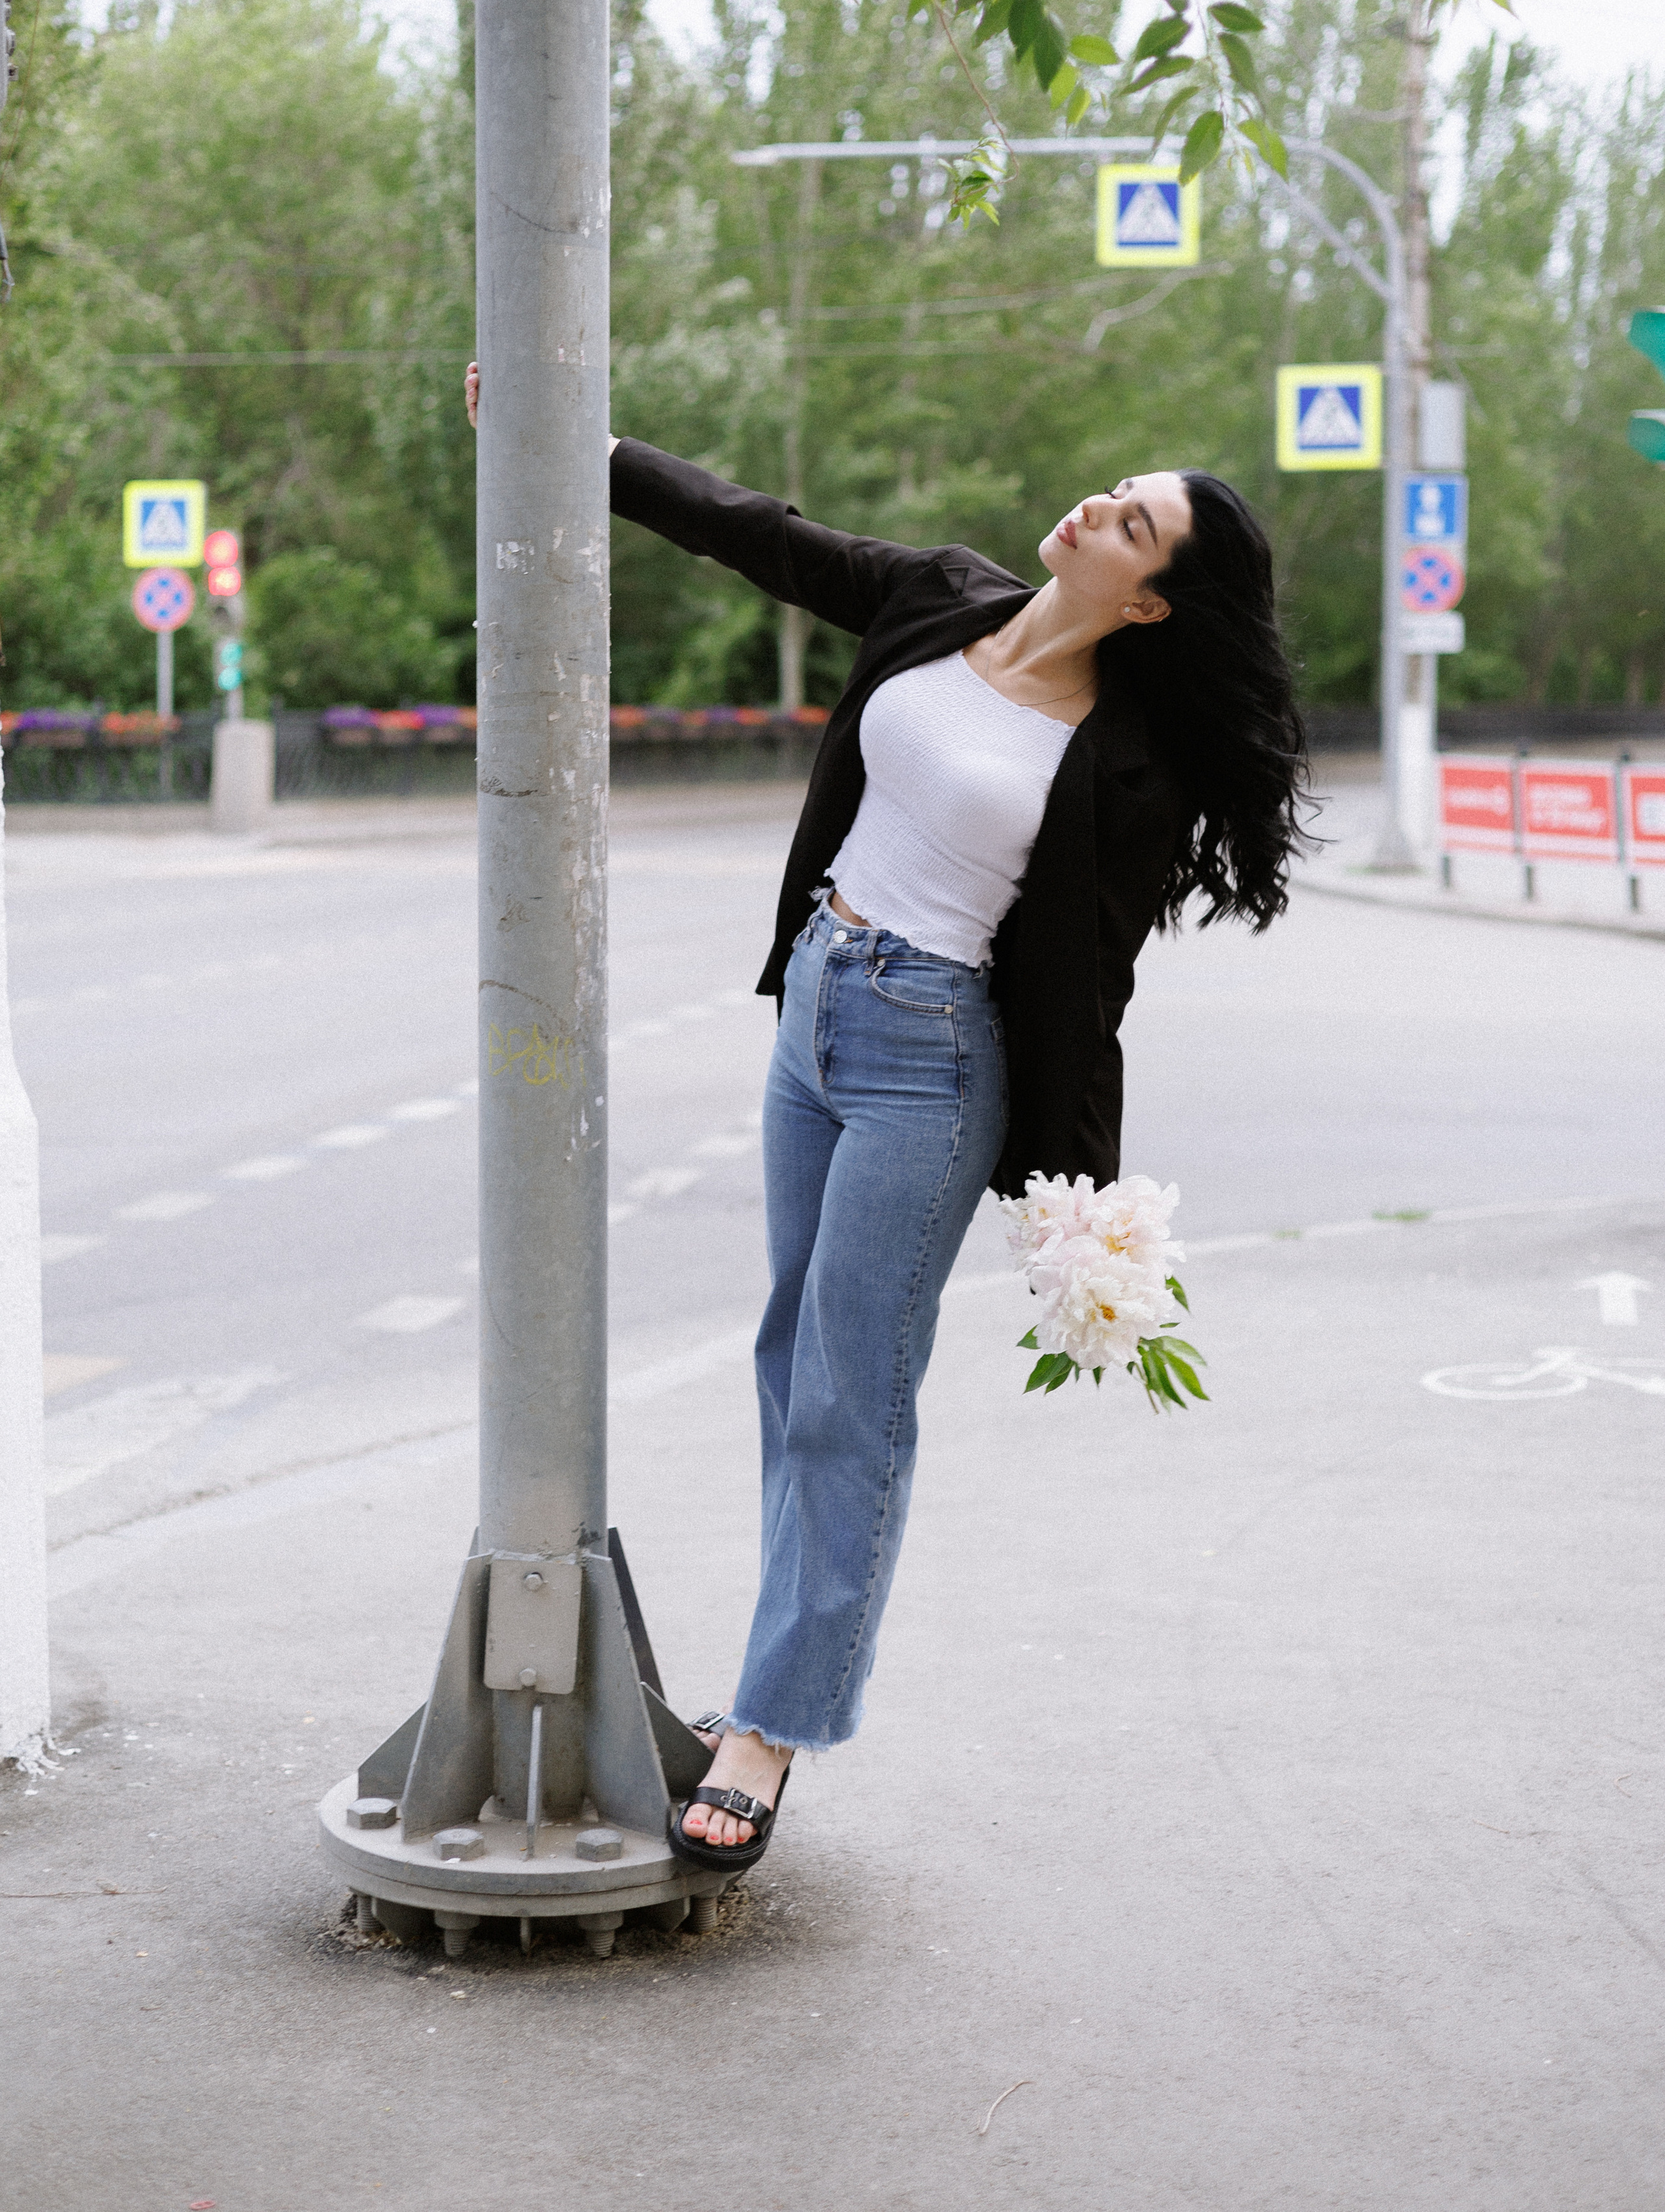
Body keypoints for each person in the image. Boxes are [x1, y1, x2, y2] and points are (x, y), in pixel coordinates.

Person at [464, 363, 1309, 1871]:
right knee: (789, 1357)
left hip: (934, 1058)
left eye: (1132, 520)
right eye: (1116, 489)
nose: (1095, 505)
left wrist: (1077, 1200)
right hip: (817, 1002)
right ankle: (778, 1684)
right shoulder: (938, 600)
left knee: (850, 1397)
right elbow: (755, 532)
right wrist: (573, 442)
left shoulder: (1128, 761)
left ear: (1151, 601)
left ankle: (768, 1731)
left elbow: (1084, 986)